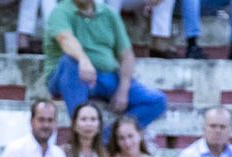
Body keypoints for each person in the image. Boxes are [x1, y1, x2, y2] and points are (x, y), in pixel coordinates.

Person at [45, 0, 168, 130]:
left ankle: (107, 138)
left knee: (156, 101)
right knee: (70, 63)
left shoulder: (109, 13)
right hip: (69, 76)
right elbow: (65, 39)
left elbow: (126, 56)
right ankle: (82, 130)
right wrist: (83, 60)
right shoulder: (60, 12)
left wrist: (123, 89)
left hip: (104, 77)